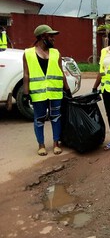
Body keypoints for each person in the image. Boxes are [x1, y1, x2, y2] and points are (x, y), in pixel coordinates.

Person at [23, 24, 71, 156]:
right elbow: (26, 74)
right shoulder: (28, 53)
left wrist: (67, 89)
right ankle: (41, 145)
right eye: (51, 36)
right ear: (42, 37)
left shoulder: (56, 53)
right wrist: (25, 93)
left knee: (56, 117)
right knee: (39, 119)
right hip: (38, 93)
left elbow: (61, 72)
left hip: (55, 92)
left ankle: (56, 144)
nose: (53, 39)